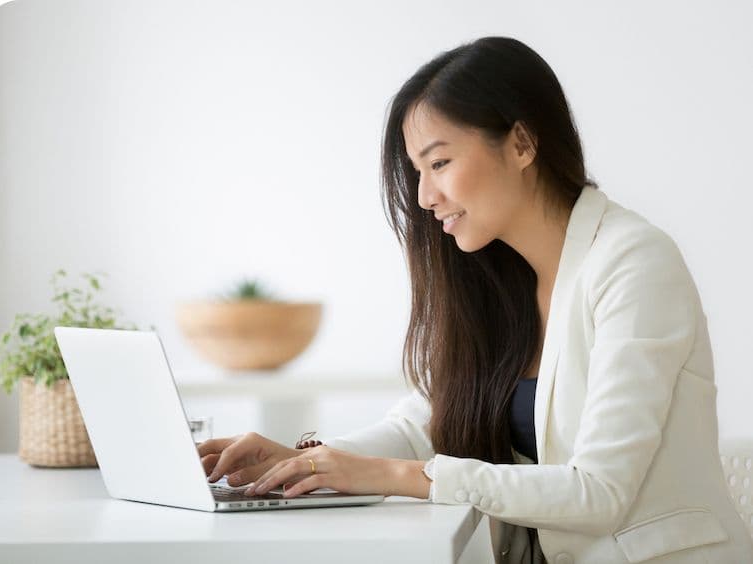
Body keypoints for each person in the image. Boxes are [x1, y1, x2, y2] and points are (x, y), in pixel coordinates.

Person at [197, 36, 753, 563]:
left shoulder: (634, 263)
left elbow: (599, 490)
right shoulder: (497, 279)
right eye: (417, 171)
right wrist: (303, 462)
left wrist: (396, 477)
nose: (423, 196)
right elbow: (422, 424)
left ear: (521, 143)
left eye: (439, 163)